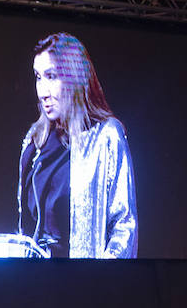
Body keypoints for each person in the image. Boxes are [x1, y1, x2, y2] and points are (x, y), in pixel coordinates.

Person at [16, 32, 137, 258]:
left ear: (73, 78)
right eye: (38, 77)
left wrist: (100, 280)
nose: (42, 92)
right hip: (33, 282)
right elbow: (25, 227)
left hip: (85, 284)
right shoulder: (34, 142)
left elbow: (124, 225)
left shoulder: (106, 136)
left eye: (51, 76)